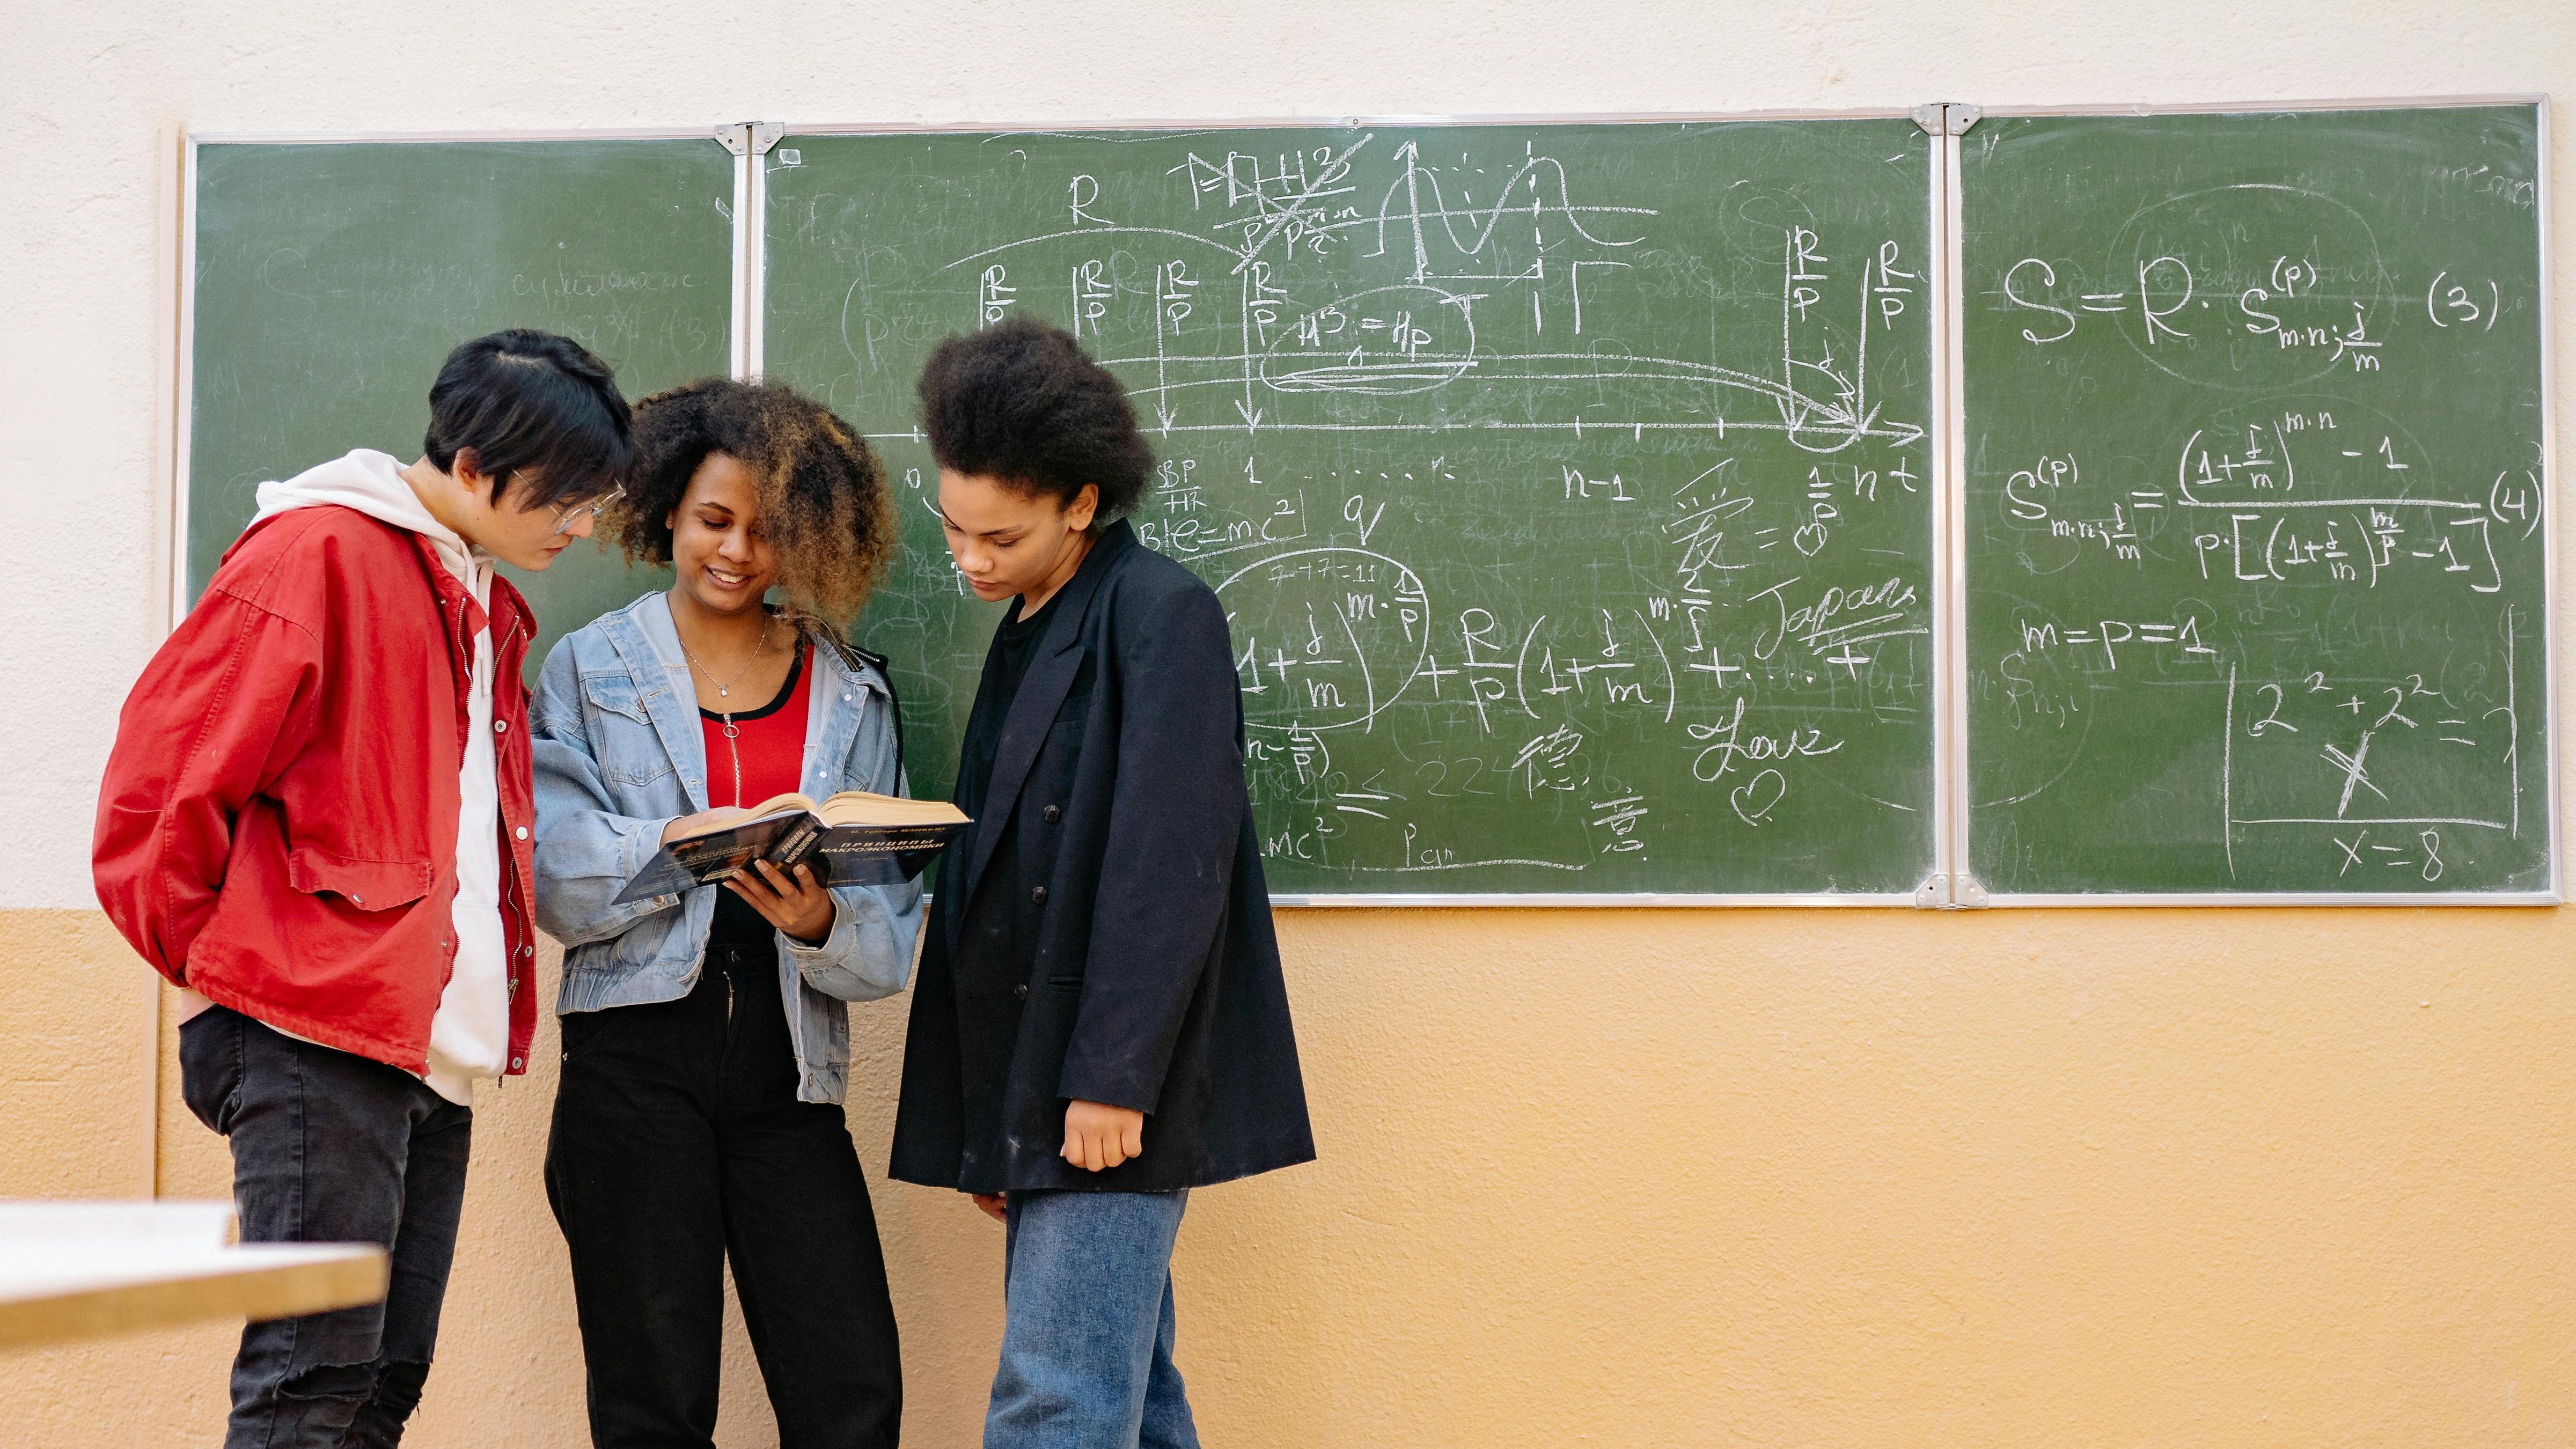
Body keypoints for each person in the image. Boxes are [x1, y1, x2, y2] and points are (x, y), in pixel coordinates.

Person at [92, 329, 632, 1447]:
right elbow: (160, 792)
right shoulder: (320, 551)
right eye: (567, 500)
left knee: (381, 1381)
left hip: (423, 1043)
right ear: (478, 468)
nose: (582, 528)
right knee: (308, 1377)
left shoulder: (474, 588)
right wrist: (224, 984)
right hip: (314, 1032)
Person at [891, 316, 1315, 1449]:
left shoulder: (1158, 612)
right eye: (954, 528)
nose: (969, 559)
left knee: (1056, 1400)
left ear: (1082, 503)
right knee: (1131, 1393)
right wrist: (997, 1118)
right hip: (1045, 1081)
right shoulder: (1034, 621)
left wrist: (1107, 1083)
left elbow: (1169, 869)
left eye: (1000, 535)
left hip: (1105, 1084)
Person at [531, 377, 920, 1449]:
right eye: (713, 520)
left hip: (789, 1080)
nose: (737, 552)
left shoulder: (852, 692)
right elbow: (556, 879)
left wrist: (817, 926)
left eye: (766, 530)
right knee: (654, 1402)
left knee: (852, 1392)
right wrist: (685, 848)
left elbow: (886, 941)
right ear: (664, 509)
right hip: (632, 1067)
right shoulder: (589, 667)